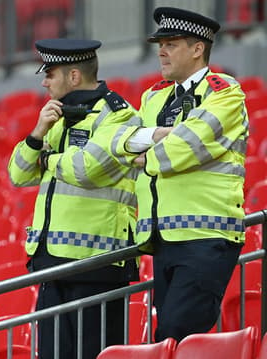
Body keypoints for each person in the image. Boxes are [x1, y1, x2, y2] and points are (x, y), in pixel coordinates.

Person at [110, 7, 248, 342]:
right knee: (167, 339)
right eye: (160, 44)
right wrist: (159, 136)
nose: (161, 51)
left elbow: (188, 145)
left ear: (198, 48)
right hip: (163, 238)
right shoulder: (153, 95)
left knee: (178, 334)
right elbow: (118, 141)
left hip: (206, 233)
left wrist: (148, 150)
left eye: (171, 43)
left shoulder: (224, 92)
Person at [7, 38, 140, 359]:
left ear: (74, 76)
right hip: (52, 262)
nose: (44, 81)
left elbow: (85, 169)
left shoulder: (118, 116)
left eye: (50, 73)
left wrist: (48, 160)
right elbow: (18, 174)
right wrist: (37, 134)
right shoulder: (56, 117)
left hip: (98, 263)